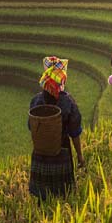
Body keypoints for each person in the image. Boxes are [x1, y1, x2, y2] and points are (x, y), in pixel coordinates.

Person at [28, 56, 85, 198]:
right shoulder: (68, 102)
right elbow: (75, 132)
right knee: (63, 193)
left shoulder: (36, 100)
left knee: (42, 195)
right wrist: (79, 156)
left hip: (40, 152)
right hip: (62, 150)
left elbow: (31, 126)